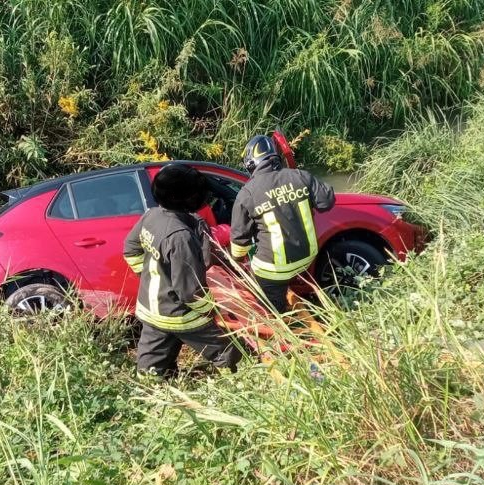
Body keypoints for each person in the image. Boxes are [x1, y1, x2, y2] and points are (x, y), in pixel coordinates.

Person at [123, 164, 242, 377]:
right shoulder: (180, 236)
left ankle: (155, 392)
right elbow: (190, 291)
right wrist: (211, 309)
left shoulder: (151, 216)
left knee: (152, 367)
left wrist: (148, 278)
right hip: (180, 315)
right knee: (227, 351)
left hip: (151, 310)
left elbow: (130, 250)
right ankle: (235, 382)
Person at [229, 134, 336, 313]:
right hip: (307, 258)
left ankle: (278, 319)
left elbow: (239, 243)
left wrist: (237, 261)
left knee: (270, 307)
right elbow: (327, 202)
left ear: (251, 163)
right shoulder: (300, 176)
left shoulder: (248, 193)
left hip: (273, 269)